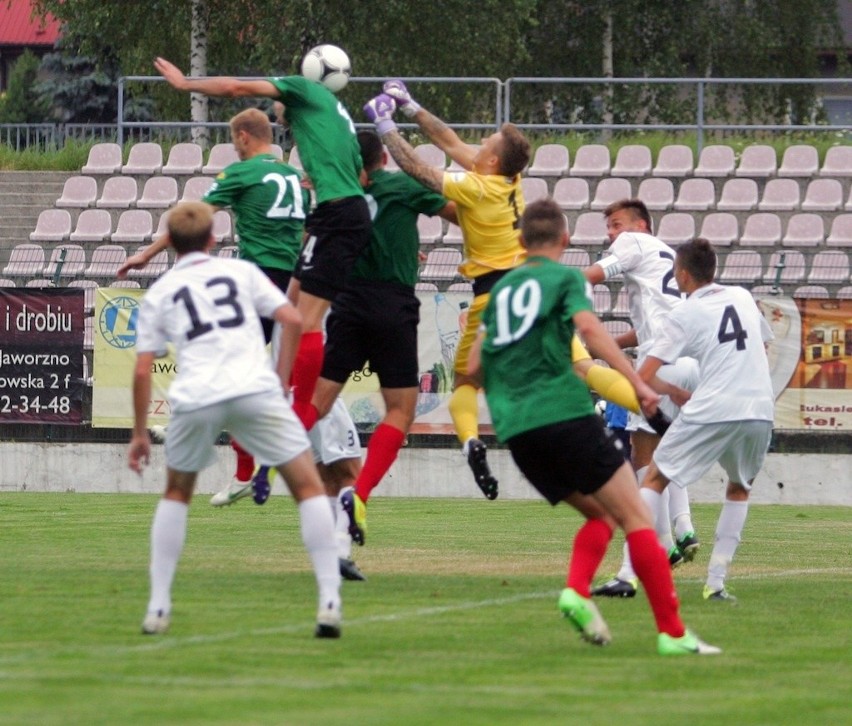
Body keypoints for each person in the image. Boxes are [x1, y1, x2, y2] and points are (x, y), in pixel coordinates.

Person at [364, 89, 658, 500]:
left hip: (494, 299)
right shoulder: (508, 178)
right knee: (584, 367)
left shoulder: (477, 188)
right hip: (533, 290)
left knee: (466, 382)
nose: (480, 143)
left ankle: (470, 441)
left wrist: (386, 126)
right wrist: (411, 107)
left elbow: (421, 172)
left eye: (486, 143)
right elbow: (448, 140)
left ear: (492, 160)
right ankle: (656, 411)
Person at [469, 198, 719, 655]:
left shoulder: (501, 290)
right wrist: (637, 382)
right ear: (565, 240)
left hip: (517, 431)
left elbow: (472, 367)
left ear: (522, 241)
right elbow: (593, 332)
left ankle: (576, 591)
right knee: (636, 516)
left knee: (600, 515)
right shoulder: (565, 278)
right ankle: (673, 634)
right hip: (564, 414)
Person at [127, 201, 342, 638]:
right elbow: (291, 318)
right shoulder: (242, 273)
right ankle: (329, 601)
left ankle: (159, 606)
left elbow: (141, 368)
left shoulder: (162, 291)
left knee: (176, 493)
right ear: (213, 239)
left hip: (197, 394)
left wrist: (138, 433)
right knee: (307, 486)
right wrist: (281, 383)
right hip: (253, 388)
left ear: (171, 243)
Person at [151, 55, 371, 432]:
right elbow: (362, 177)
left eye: (278, 100)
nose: (275, 105)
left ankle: (291, 415)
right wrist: (320, 182)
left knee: (299, 325)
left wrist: (186, 84)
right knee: (289, 317)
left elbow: (235, 86)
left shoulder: (304, 90)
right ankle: (281, 398)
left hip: (319, 229)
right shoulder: (335, 116)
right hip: (329, 221)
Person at [121, 107, 313, 501]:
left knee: (223, 356)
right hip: (295, 279)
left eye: (233, 140)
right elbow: (310, 225)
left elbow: (193, 218)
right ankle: (255, 466)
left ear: (243, 136)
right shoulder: (296, 177)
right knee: (283, 374)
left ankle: (199, 432)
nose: (234, 148)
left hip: (256, 277)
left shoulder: (243, 174)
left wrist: (148, 253)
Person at [306, 129, 456, 544]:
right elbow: (460, 213)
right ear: (384, 160)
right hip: (392, 304)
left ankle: (262, 460)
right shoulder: (402, 185)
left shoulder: (339, 192)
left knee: (315, 403)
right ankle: (361, 494)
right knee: (400, 411)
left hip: (347, 304)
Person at [638, 237, 774, 603]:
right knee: (739, 487)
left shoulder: (683, 313)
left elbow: (645, 374)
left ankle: (632, 569)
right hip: (760, 408)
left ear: (682, 275)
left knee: (654, 476)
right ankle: (716, 583)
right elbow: (762, 347)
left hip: (714, 406)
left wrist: (675, 392)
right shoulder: (743, 297)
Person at [583, 198, 701, 599]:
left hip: (664, 365)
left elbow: (591, 277)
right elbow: (652, 327)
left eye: (617, 224)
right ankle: (678, 532)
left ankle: (631, 569)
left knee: (644, 461)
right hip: (691, 361)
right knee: (664, 453)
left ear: (641, 225)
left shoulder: (633, 244)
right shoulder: (666, 256)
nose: (611, 234)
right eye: (610, 228)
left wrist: (563, 302)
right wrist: (607, 346)